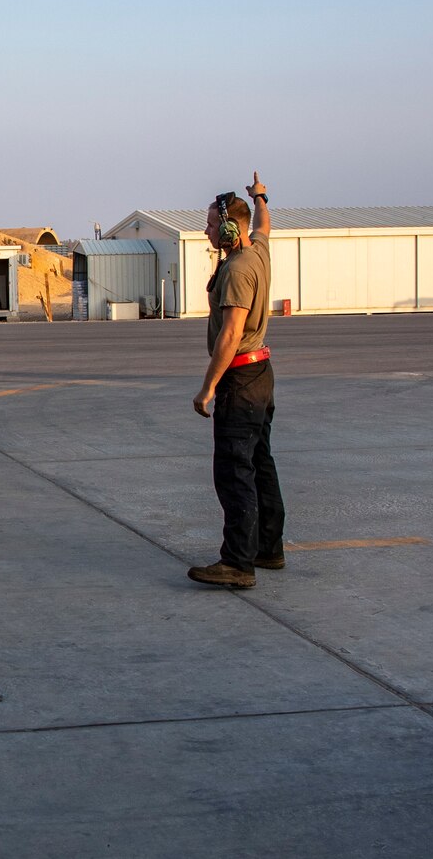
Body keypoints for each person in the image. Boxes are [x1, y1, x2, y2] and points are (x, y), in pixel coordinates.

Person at [186, 172, 283, 591]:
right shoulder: (255, 250)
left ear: (228, 229)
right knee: (260, 463)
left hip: (241, 378)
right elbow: (262, 223)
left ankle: (237, 563)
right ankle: (268, 548)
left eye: (210, 224)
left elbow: (230, 333)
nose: (206, 231)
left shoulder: (239, 270)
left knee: (234, 471)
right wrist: (260, 197)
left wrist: (209, 386)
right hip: (261, 374)